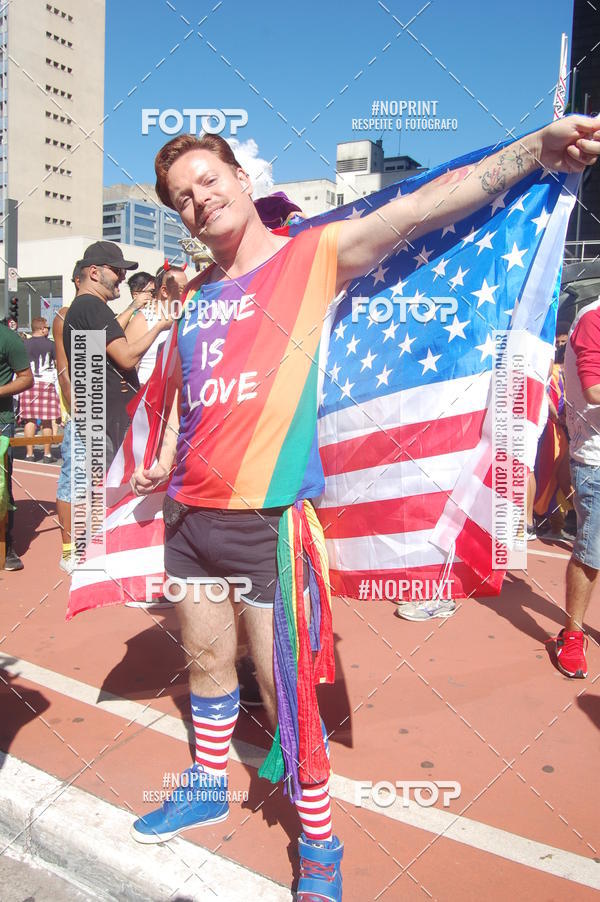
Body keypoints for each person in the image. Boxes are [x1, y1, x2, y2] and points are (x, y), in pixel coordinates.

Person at [129, 117, 600, 900]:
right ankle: (209, 784)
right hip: (188, 517)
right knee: (208, 666)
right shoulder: (199, 300)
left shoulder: (309, 259)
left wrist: (531, 155)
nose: (198, 199)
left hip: (267, 524)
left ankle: (320, 846)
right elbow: (193, 396)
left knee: (283, 691)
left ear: (243, 180)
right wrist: (164, 452)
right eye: (182, 197)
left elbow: (412, 215)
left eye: (208, 180)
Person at [62, 241, 172, 467]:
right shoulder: (92, 307)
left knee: (103, 492)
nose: (122, 277)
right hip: (111, 421)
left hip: (99, 418)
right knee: (117, 489)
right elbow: (127, 358)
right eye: (117, 270)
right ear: (94, 272)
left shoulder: (82, 308)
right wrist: (160, 326)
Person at [555, 296, 600, 678]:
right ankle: (572, 634)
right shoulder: (593, 317)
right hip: (596, 457)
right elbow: (594, 390)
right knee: (591, 551)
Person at [0, 320, 34, 569]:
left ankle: (8, 544)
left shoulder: (8, 338)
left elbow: (26, 379)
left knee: (2, 484)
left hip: (1, 423)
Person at [53, 262, 80, 572]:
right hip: (81, 416)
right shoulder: (65, 315)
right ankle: (69, 550)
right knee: (72, 481)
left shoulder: (103, 316)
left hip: (106, 413)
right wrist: (77, 410)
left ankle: (93, 544)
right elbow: (64, 371)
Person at [125, 264, 187, 386]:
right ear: (164, 291)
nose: (186, 294)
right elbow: (127, 367)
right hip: (146, 398)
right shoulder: (143, 319)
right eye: (181, 290)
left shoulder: (185, 318)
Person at [19, 317, 60, 462]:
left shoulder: (23, 344)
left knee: (29, 420)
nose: (48, 330)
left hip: (28, 384)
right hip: (46, 384)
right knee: (47, 421)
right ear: (42, 328)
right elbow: (57, 364)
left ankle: (29, 454)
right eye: (47, 328)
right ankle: (47, 454)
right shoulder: (51, 345)